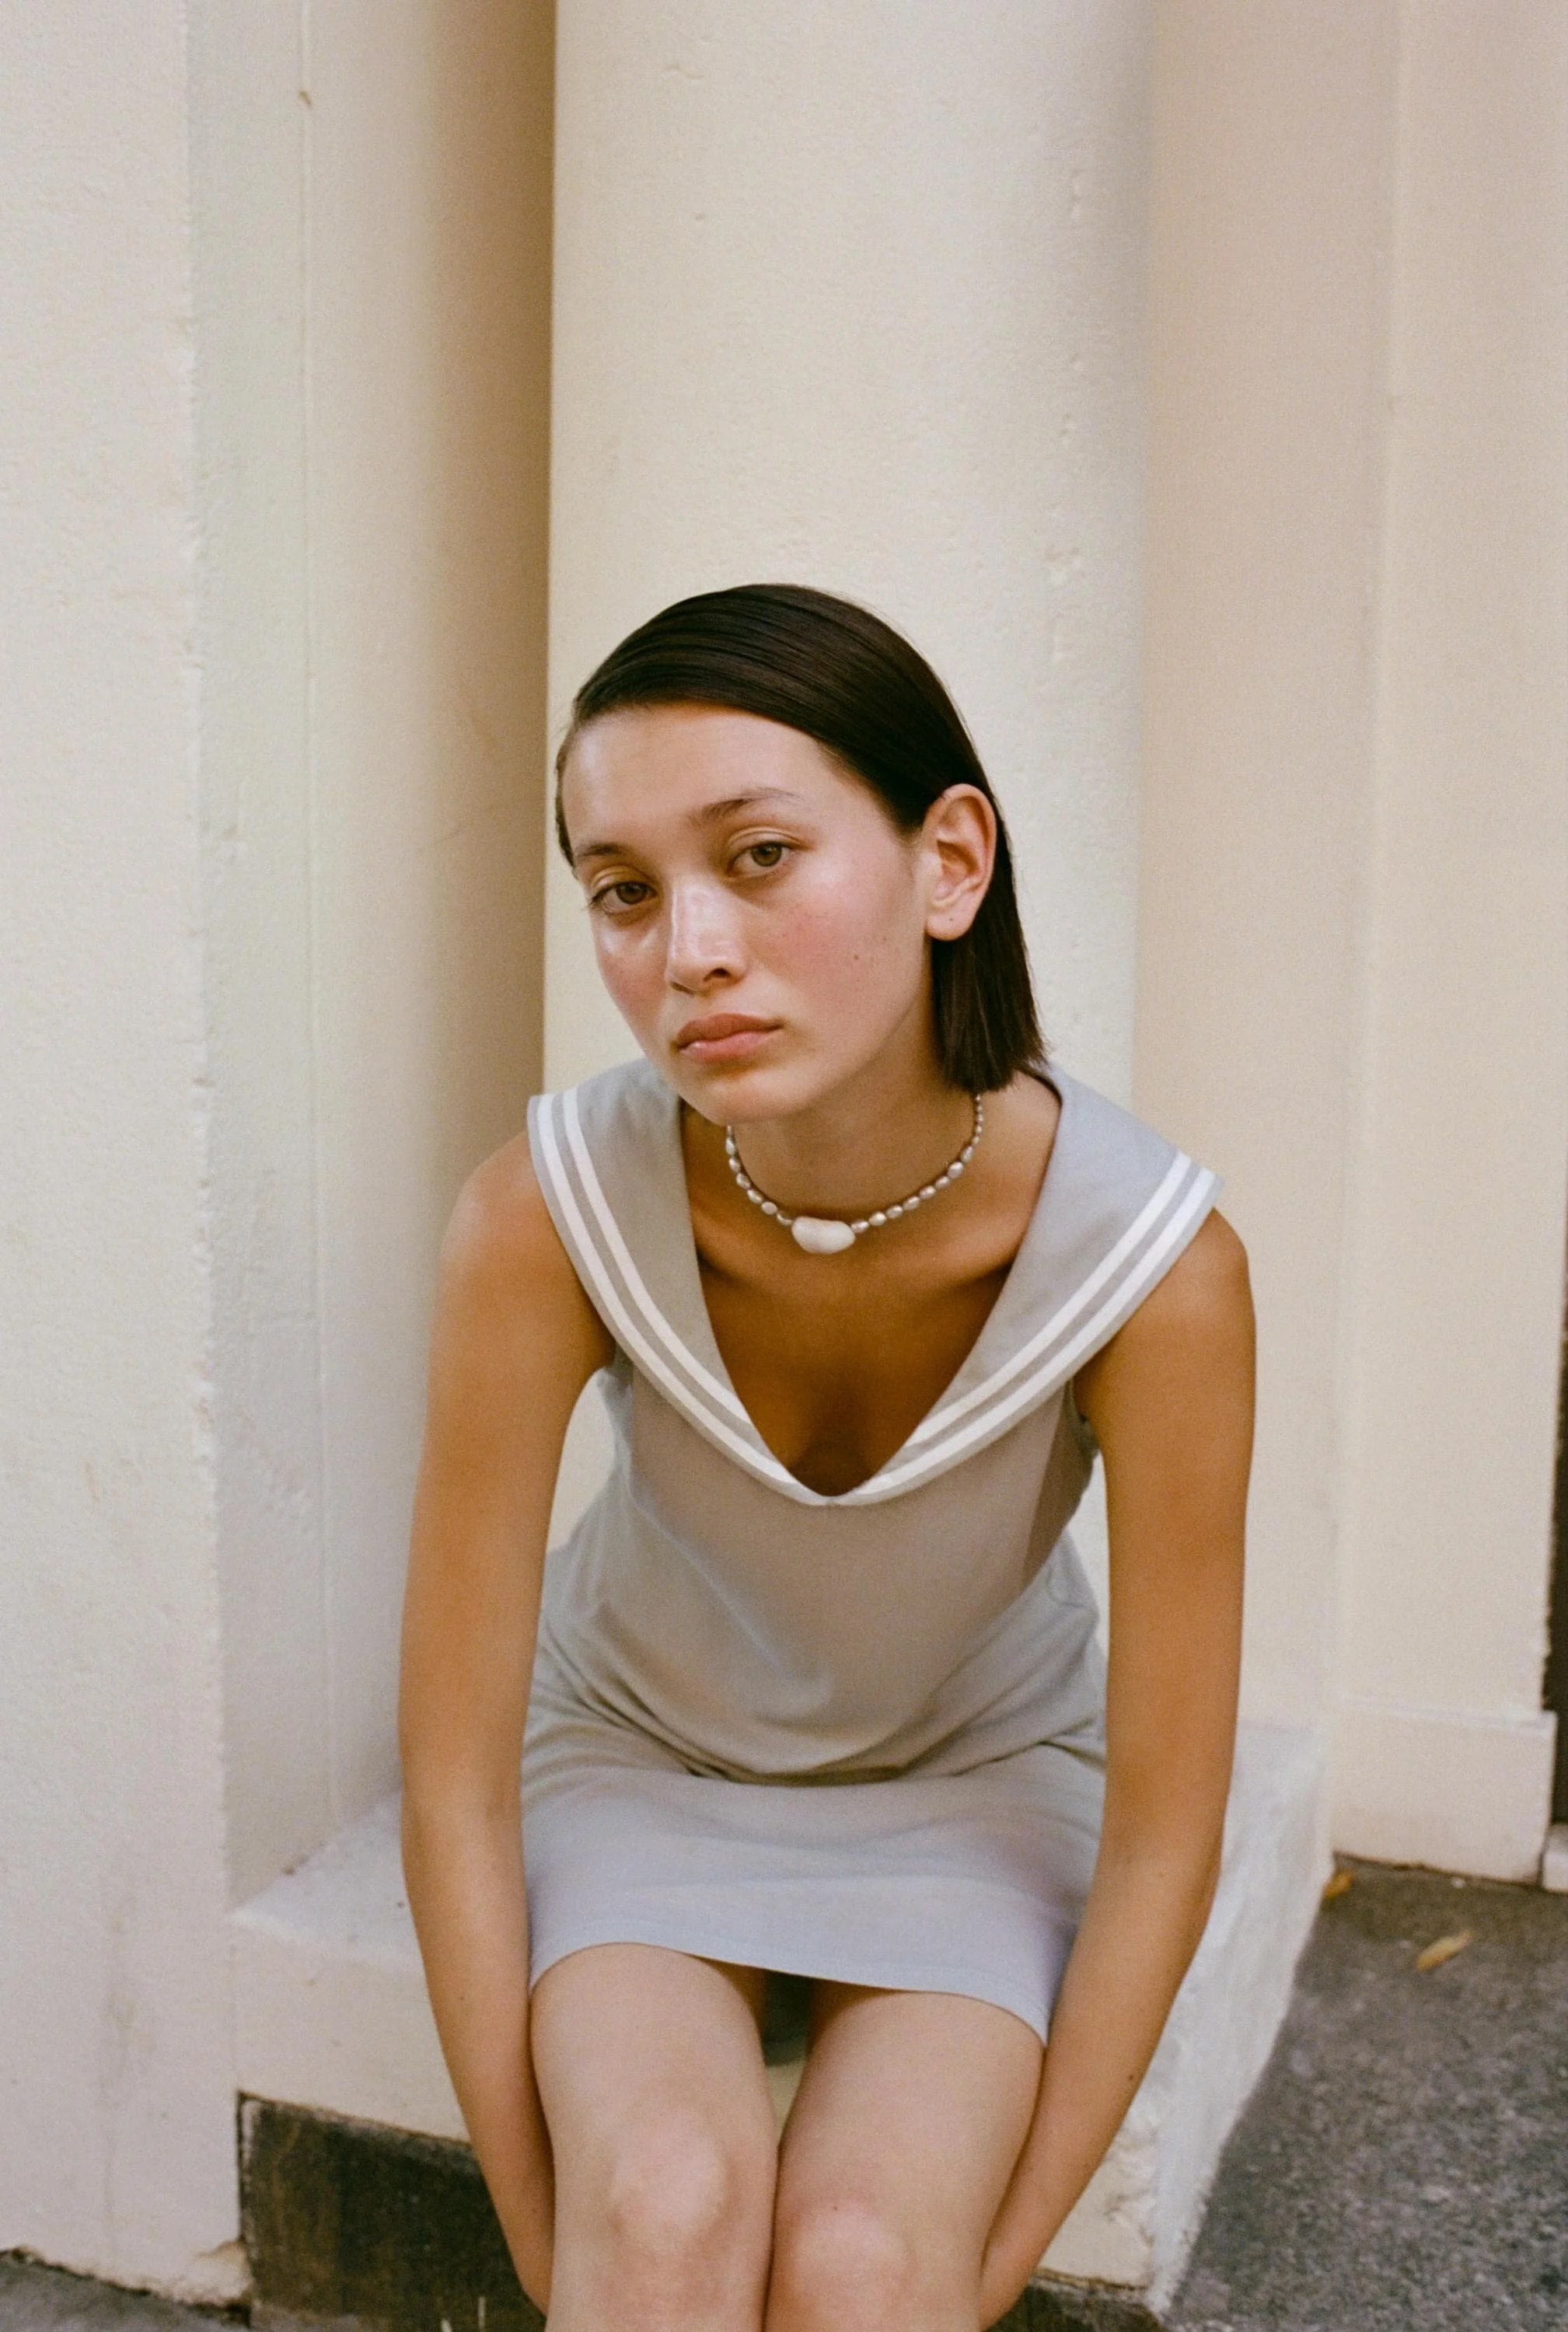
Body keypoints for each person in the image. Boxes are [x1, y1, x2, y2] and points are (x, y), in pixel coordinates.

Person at [398, 583, 1253, 2332]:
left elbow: (1169, 1833)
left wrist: (976, 2271)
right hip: (636, 1756)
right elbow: (456, 1780)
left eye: (761, 856)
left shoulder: (1154, 1269)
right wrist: (560, 2242)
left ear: (951, 863)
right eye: (624, 891)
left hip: (979, 1785)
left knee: (867, 2264)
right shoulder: (543, 1218)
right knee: (663, 2209)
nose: (690, 950)